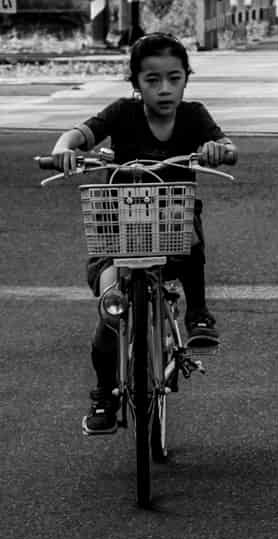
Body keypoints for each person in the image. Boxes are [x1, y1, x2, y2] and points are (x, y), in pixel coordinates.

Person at [50, 33, 238, 437]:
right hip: (117, 234)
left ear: (186, 79)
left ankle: (197, 313)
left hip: (170, 231)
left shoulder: (194, 116)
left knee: (186, 220)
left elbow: (226, 145)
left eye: (174, 78)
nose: (165, 88)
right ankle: (104, 395)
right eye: (152, 80)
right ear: (135, 83)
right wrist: (64, 148)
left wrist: (218, 149)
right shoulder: (121, 113)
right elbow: (77, 136)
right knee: (111, 310)